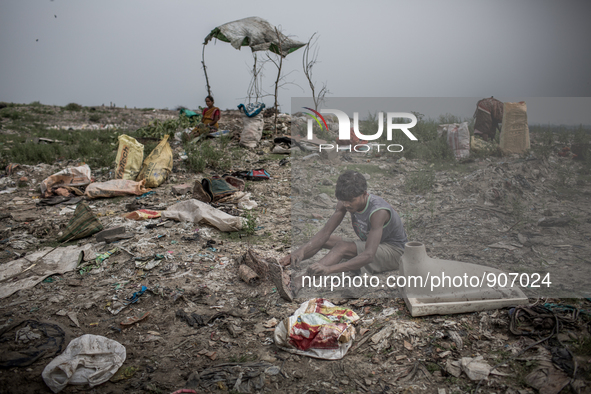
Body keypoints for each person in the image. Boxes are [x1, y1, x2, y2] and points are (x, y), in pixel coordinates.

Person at [280, 170, 407, 276]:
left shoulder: (378, 212)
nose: (346, 204)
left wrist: (329, 269)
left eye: (351, 200)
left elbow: (369, 255)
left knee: (342, 247)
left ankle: (302, 280)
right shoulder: (346, 202)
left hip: (394, 253)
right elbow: (325, 232)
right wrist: (300, 251)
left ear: (364, 194)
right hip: (373, 244)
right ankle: (283, 263)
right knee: (326, 239)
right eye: (343, 200)